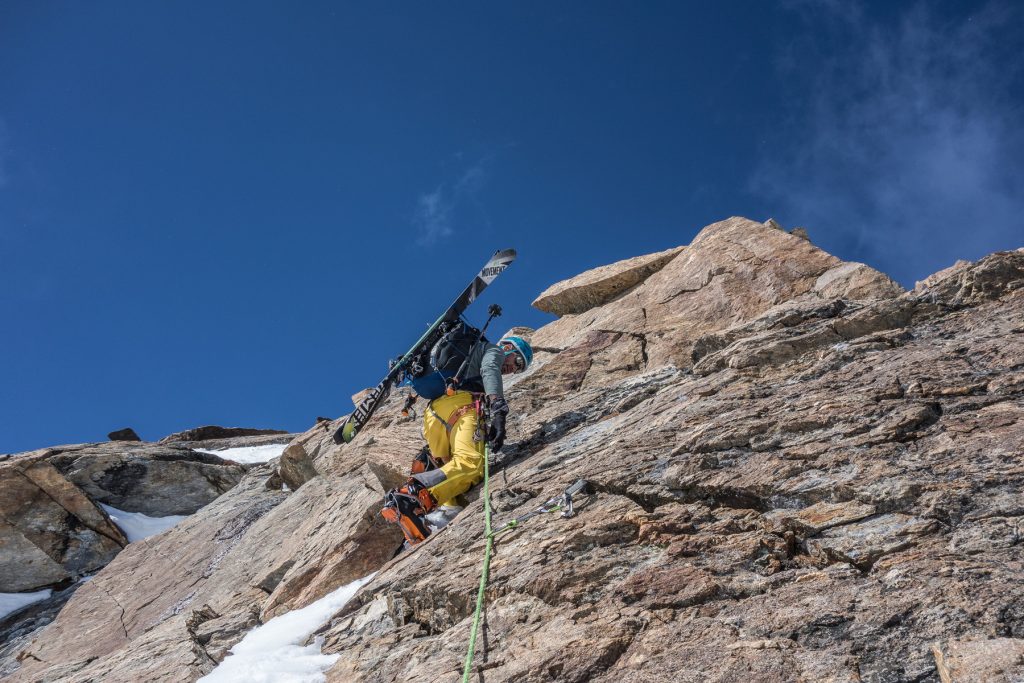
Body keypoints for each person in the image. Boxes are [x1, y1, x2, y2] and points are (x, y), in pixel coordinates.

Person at [381, 335, 533, 546]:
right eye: (517, 362)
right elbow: (490, 369)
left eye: (519, 370)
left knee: (450, 470)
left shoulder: (463, 359)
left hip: (434, 414)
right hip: (463, 407)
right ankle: (411, 498)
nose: (513, 369)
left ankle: (434, 517)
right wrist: (498, 407)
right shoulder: (494, 350)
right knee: (470, 464)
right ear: (508, 348)